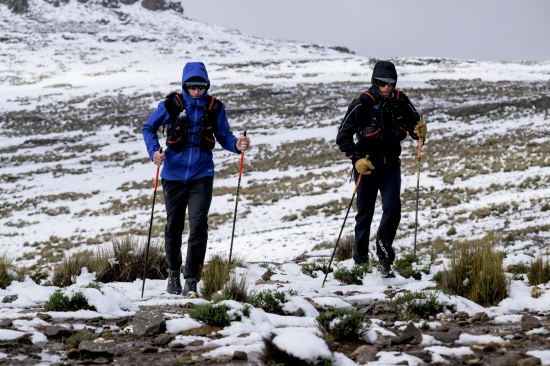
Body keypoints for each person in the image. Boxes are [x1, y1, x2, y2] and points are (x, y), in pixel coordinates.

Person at [142, 61, 250, 297]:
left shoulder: (215, 108)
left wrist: (236, 145)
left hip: (202, 173)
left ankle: (191, 279)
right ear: (184, 85)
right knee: (174, 226)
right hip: (172, 174)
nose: (196, 91)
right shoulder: (170, 105)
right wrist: (154, 153)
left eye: (201, 86)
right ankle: (173, 273)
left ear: (207, 85)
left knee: (199, 224)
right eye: (191, 86)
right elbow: (148, 128)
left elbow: (224, 136)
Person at [336, 60, 427, 278]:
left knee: (393, 209)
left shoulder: (401, 101)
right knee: (364, 215)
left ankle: (384, 255)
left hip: (391, 166)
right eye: (382, 83)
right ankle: (360, 262)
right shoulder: (361, 104)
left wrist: (419, 131)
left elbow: (415, 125)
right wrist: (356, 159)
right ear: (375, 82)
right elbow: (342, 137)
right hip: (366, 166)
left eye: (391, 83)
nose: (387, 87)